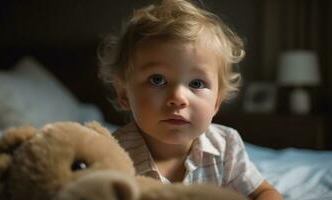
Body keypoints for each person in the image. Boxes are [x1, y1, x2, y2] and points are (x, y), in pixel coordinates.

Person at [98, 0, 283, 199]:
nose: (178, 98)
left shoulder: (226, 146)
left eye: (196, 84)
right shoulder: (113, 156)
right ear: (124, 93)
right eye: (157, 79)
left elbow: (265, 192)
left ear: (217, 101)